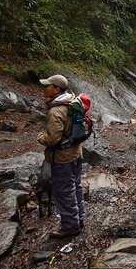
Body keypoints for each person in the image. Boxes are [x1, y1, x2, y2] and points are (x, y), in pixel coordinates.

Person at [37, 74, 85, 239]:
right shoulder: (72, 103)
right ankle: (79, 219)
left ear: (57, 89)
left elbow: (52, 139)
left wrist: (40, 136)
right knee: (76, 186)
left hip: (63, 157)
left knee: (64, 192)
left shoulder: (57, 110)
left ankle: (70, 226)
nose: (44, 89)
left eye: (47, 86)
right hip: (76, 153)